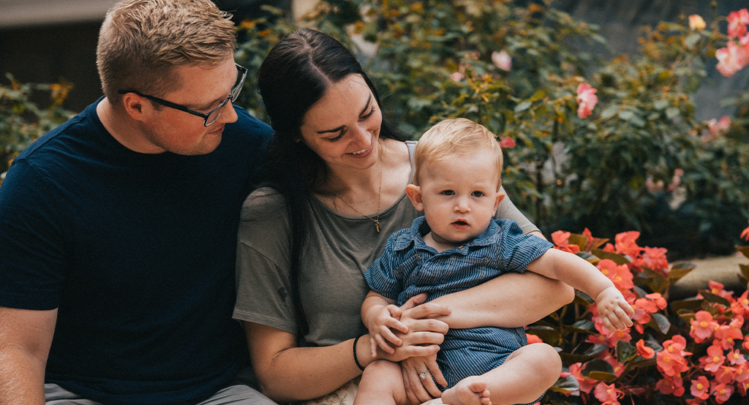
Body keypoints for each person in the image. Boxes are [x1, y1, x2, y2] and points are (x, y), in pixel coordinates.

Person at [233, 28, 575, 405]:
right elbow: (276, 376)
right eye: (335, 134)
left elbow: (555, 287)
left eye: (367, 113)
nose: (364, 141)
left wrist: (427, 322)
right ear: (296, 136)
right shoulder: (272, 212)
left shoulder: (443, 172)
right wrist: (382, 346)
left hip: (473, 389)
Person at [0, 1, 275, 404]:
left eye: (230, 91)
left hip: (218, 392)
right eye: (207, 108)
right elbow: (17, 350)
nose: (230, 116)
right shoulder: (41, 185)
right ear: (137, 106)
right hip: (80, 392)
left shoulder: (248, 146)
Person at [356, 118, 635, 405]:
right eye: (447, 192)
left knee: (544, 358)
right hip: (419, 376)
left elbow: (556, 264)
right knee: (377, 374)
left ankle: (458, 399)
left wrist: (602, 290)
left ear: (495, 202)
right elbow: (378, 296)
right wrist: (377, 316)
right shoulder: (403, 248)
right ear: (418, 198)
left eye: (477, 194)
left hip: (493, 371)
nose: (462, 205)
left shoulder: (501, 241)